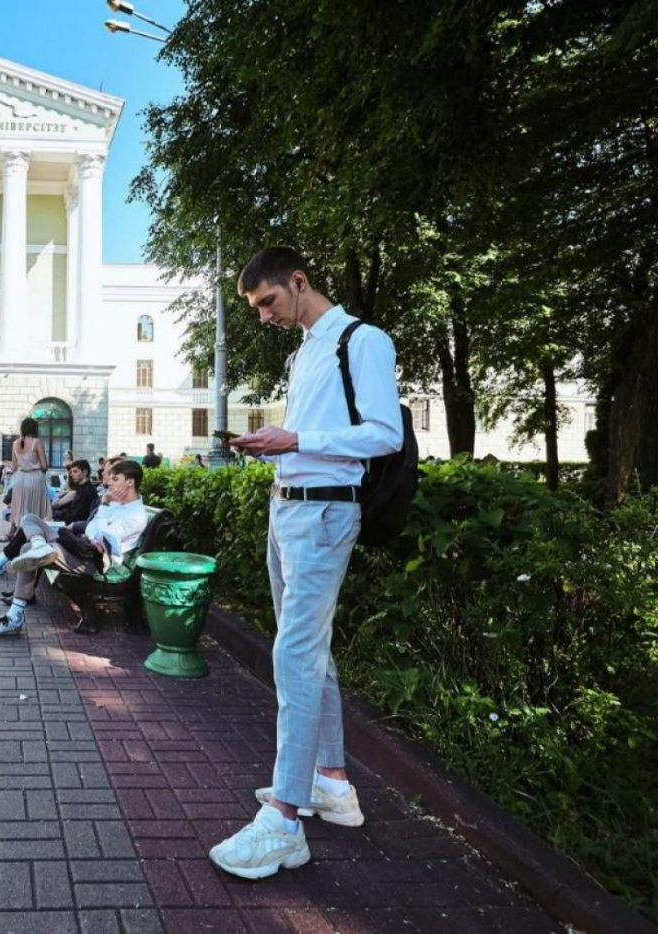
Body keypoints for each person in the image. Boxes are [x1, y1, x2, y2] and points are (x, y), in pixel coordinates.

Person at [208, 247, 403, 879]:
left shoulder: (361, 339)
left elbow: (385, 434)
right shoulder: (304, 350)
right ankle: (333, 785)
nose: (263, 316)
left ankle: (285, 823)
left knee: (294, 654)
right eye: (256, 308)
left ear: (299, 282)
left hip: (324, 514)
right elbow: (316, 438)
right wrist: (275, 448)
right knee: (310, 652)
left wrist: (298, 440)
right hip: (288, 507)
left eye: (267, 301)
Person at [0, 460, 148, 637]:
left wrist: (103, 505)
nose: (109, 483)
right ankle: (40, 546)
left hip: (95, 561)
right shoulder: (116, 504)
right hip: (81, 549)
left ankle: (14, 617)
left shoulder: (136, 515)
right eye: (110, 478)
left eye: (115, 479)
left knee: (27, 549)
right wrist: (98, 524)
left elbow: (100, 535)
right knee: (29, 519)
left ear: (130, 482)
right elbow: (92, 529)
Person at [0, 459, 100, 605]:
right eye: (71, 471)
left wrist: (53, 515)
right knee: (29, 527)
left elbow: (74, 517)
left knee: (29, 530)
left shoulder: (86, 491)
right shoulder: (80, 489)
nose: (71, 474)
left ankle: (1, 563)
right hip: (66, 527)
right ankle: (18, 582)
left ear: (85, 472)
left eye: (75, 471)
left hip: (69, 530)